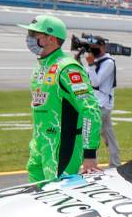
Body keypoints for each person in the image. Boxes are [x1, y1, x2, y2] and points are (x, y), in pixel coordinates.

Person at [18, 15, 101, 182]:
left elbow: (90, 110)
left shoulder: (68, 68)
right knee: (36, 201)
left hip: (61, 147)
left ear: (51, 38)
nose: (29, 38)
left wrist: (89, 153)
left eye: (34, 34)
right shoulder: (41, 66)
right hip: (40, 146)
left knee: (58, 202)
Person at [81, 35, 122, 165]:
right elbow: (86, 77)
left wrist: (91, 64)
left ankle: (91, 164)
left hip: (102, 104)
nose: (93, 50)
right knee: (108, 135)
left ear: (103, 47)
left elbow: (95, 82)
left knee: (90, 134)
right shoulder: (96, 61)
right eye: (91, 48)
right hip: (97, 102)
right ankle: (115, 164)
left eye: (95, 48)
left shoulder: (108, 62)